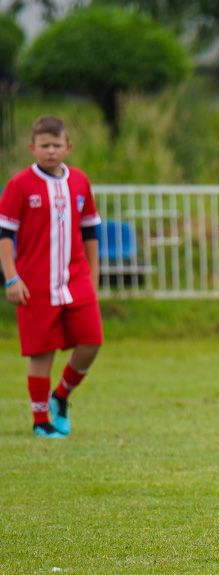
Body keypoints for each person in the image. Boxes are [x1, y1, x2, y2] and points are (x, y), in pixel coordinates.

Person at [0, 116, 103, 439]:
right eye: (44, 146)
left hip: (76, 280)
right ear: (32, 148)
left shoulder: (80, 182)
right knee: (42, 352)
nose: (51, 151)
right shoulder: (19, 185)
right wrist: (11, 278)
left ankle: (61, 397)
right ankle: (40, 420)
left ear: (68, 147)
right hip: (35, 284)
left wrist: (94, 278)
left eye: (57, 145)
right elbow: (5, 235)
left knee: (91, 342)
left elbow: (89, 232)